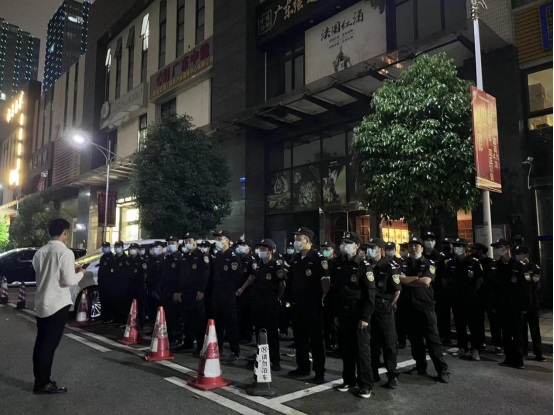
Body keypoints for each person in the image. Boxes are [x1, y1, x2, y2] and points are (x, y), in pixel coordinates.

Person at [32, 219, 90, 394]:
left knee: (41, 344)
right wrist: (81, 273)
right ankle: (43, 384)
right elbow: (69, 281)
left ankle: (41, 380)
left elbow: (45, 273)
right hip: (57, 305)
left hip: (41, 303)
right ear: (65, 232)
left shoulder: (40, 252)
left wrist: (71, 269)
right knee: (49, 346)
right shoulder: (65, 252)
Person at [399, 237, 450, 383]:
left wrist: (407, 279)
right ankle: (420, 366)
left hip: (425, 306)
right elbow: (397, 279)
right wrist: (416, 278)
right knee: (415, 340)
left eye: (416, 246)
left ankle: (442, 370)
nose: (413, 248)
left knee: (433, 339)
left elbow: (426, 281)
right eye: (411, 246)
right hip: (409, 306)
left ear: (421, 248)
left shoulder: (429, 264)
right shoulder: (403, 263)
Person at [334, 232, 376, 399]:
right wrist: (336, 314)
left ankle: (365, 385)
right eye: (343, 242)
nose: (344, 245)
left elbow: (370, 294)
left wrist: (365, 317)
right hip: (344, 311)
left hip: (358, 312)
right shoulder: (339, 263)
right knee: (346, 348)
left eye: (348, 242)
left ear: (357, 246)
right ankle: (348, 380)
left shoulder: (364, 265)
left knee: (362, 351)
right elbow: (337, 290)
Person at [288, 227, 330, 385]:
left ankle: (319, 371)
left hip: (313, 305)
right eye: (296, 238)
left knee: (316, 339)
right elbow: (291, 281)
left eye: (299, 238)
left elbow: (325, 281)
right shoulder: (296, 258)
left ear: (307, 240)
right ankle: (303, 366)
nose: (296, 241)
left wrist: (322, 299)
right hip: (298, 305)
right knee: (300, 338)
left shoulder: (318, 258)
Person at [241, 239, 286, 371]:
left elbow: (282, 284)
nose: (260, 251)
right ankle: (261, 357)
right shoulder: (259, 264)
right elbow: (253, 278)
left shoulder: (276, 265)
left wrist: (277, 297)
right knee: (259, 331)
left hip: (270, 303)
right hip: (258, 302)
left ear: (270, 251)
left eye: (263, 249)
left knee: (271, 333)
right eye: (260, 249)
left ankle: (275, 360)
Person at [490, 239, 530, 370]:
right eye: (495, 247)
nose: (497, 250)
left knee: (517, 333)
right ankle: (508, 358)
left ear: (507, 248)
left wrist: (524, 306)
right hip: (501, 305)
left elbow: (525, 288)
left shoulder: (518, 266)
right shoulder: (496, 266)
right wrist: (494, 304)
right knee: (506, 333)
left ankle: (519, 360)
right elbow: (493, 287)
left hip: (515, 305)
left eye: (499, 247)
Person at [367, 238, 401, 389]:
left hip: (384, 310)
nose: (370, 251)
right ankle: (373, 373)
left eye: (373, 248)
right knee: (372, 344)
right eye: (368, 248)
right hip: (370, 310)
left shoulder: (389, 266)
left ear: (381, 250)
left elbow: (397, 291)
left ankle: (392, 375)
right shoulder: (366, 265)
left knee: (388, 344)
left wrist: (388, 306)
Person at [446, 238, 484, 361]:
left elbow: (480, 281)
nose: (457, 248)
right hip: (457, 298)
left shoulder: (474, 262)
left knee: (474, 325)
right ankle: (462, 347)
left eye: (460, 246)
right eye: (455, 246)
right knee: (459, 324)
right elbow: (448, 279)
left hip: (471, 298)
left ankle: (475, 349)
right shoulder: (451, 262)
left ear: (466, 248)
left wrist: (471, 292)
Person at [211, 231, 243, 363]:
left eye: (220, 239)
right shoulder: (218, 255)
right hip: (217, 293)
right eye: (217, 239)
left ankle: (235, 351)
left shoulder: (233, 256)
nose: (218, 241)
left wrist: (233, 290)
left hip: (228, 293)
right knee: (218, 323)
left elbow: (238, 276)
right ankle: (218, 348)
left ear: (227, 241)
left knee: (231, 323)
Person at [179, 232, 210, 356]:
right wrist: (179, 291)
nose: (187, 243)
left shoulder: (202, 256)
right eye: (186, 241)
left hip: (197, 292)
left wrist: (201, 290)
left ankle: (200, 344)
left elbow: (205, 274)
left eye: (189, 241)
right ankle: (188, 342)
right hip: (186, 292)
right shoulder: (185, 256)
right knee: (187, 317)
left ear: (195, 242)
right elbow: (182, 276)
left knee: (198, 319)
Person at [470, 243, 503, 355]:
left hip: (489, 296)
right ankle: (481, 342)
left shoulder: (490, 263)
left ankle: (497, 345)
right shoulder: (472, 262)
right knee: (478, 320)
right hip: (477, 296)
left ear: (480, 251)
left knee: (494, 321)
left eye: (474, 250)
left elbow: (492, 279)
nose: (472, 252)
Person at [514, 246, 546, 362]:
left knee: (534, 329)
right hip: (521, 303)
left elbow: (534, 284)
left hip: (533, 303)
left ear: (526, 255)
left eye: (520, 253)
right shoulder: (516, 267)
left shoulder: (534, 268)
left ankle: (538, 352)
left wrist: (526, 277)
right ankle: (524, 350)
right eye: (516, 253)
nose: (518, 256)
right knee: (522, 329)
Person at [159, 236, 184, 345]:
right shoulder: (167, 258)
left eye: (173, 243)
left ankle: (178, 337)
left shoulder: (180, 258)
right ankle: (170, 336)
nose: (170, 245)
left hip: (175, 291)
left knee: (177, 315)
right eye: (169, 243)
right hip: (166, 290)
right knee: (168, 315)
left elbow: (181, 277)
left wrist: (178, 291)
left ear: (177, 245)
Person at [235, 239, 257, 345]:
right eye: (240, 245)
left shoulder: (251, 259)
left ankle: (247, 336)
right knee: (240, 313)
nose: (241, 247)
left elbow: (252, 276)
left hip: (247, 291)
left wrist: (242, 288)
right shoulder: (239, 258)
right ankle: (240, 335)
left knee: (247, 314)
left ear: (249, 248)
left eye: (244, 245)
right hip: (238, 290)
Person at [321, 241, 339, 352]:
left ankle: (335, 342)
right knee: (325, 320)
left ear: (332, 250)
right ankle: (327, 342)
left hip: (333, 294)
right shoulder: (322, 262)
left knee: (333, 321)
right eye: (324, 249)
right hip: (324, 294)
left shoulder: (335, 263)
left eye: (327, 249)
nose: (325, 251)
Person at [127, 243, 147, 327]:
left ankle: (141, 323)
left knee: (140, 305)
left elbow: (145, 274)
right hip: (129, 285)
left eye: (134, 248)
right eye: (131, 248)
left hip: (138, 285)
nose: (132, 250)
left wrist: (143, 283)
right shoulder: (128, 260)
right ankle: (130, 322)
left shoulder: (141, 260)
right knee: (129, 304)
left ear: (138, 250)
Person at [146, 241, 164, 323]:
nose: (155, 249)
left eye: (157, 247)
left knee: (158, 307)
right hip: (151, 286)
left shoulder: (163, 259)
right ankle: (153, 323)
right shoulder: (152, 259)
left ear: (162, 248)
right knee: (151, 306)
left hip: (158, 287)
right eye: (154, 248)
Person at [112, 241, 130, 326]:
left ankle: (123, 321)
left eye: (119, 247)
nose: (117, 249)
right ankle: (116, 319)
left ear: (122, 248)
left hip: (123, 284)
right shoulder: (114, 258)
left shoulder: (126, 259)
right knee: (116, 302)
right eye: (116, 247)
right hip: (115, 283)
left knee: (123, 303)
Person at [98, 242, 114, 324]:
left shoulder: (112, 257)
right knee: (102, 299)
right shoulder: (103, 257)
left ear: (109, 247)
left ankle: (108, 317)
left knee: (108, 300)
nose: (104, 248)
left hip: (109, 283)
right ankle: (103, 316)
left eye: (106, 247)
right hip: (102, 282)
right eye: (103, 247)